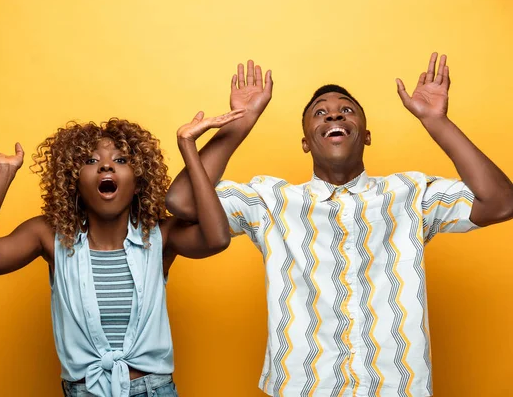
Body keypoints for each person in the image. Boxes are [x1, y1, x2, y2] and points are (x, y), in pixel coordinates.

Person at [165, 53, 513, 396]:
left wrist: (437, 122)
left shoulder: (411, 193)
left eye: (347, 109)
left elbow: (502, 202)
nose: (333, 112)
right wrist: (240, 123)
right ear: (306, 142)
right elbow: (182, 202)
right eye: (320, 112)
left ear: (365, 135)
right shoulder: (269, 200)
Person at [0, 109, 245, 397]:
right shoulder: (47, 235)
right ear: (74, 183)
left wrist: (188, 147)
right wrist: (3, 174)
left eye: (120, 160)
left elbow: (217, 238)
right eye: (91, 161)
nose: (106, 167)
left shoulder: (161, 234)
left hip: (154, 390)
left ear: (138, 183)